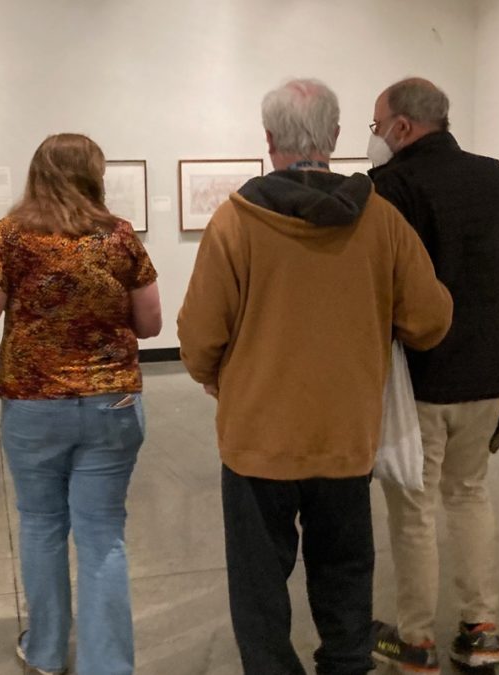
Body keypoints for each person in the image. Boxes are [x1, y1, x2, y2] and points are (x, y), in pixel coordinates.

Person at [177, 78, 453, 675]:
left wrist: (218, 378)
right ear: (333, 136)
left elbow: (200, 335)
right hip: (346, 439)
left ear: (269, 139)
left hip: (256, 443)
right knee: (346, 576)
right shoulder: (379, 220)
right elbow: (430, 319)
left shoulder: (235, 222)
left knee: (258, 590)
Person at [0, 133, 162, 675]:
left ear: (37, 174)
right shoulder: (120, 236)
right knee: (103, 537)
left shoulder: (10, 237)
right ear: (95, 175)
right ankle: (107, 665)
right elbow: (150, 323)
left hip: (34, 407)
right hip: (113, 404)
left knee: (40, 525)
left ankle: (47, 650)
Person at [366, 77, 499, 673]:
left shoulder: (390, 187)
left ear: (403, 127)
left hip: (421, 378)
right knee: (469, 494)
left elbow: (381, 288)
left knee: (414, 508)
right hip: (493, 376)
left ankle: (416, 641)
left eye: (376, 128)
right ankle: (481, 629)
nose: (375, 140)